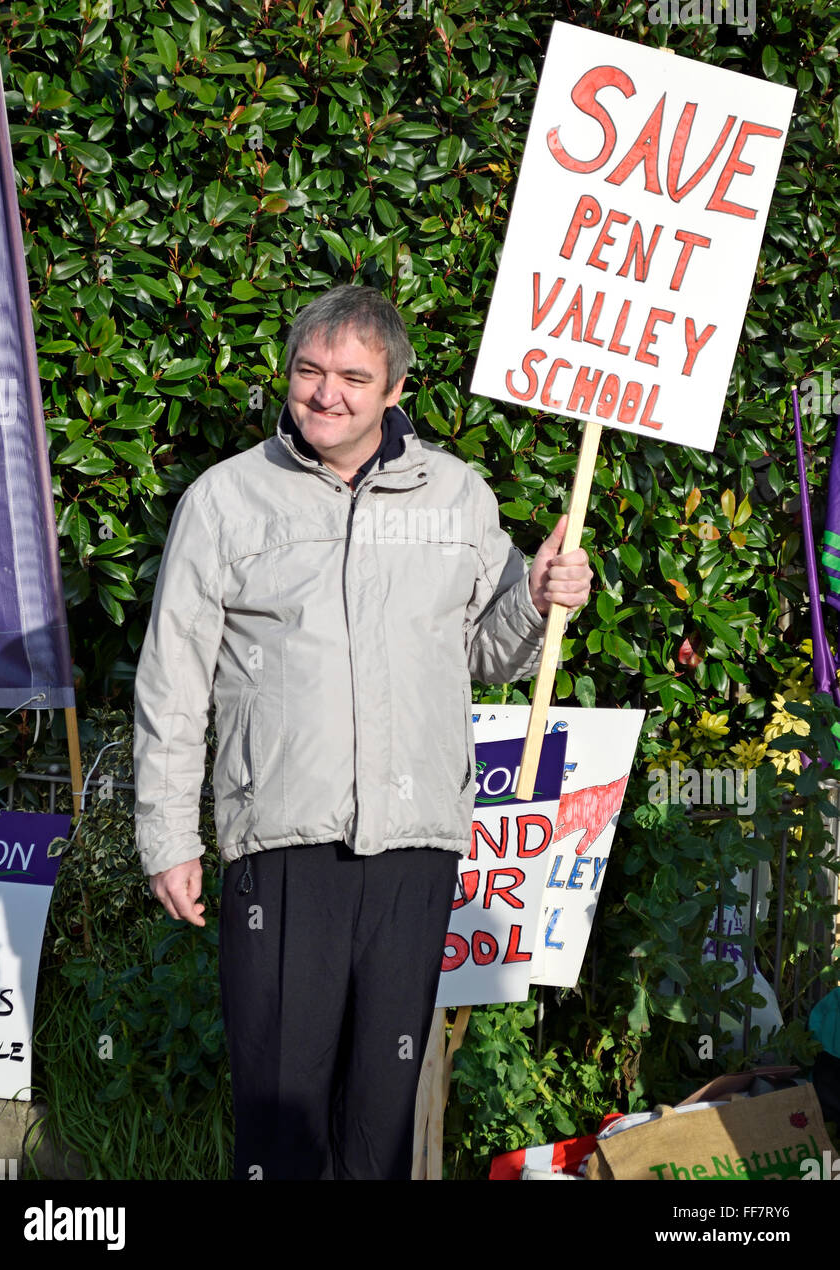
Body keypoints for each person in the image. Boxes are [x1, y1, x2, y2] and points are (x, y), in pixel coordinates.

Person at [133, 284, 593, 1180]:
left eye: (353, 376)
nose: (326, 394)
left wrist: (536, 600)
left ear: (394, 388)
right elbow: (173, 681)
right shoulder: (225, 501)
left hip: (415, 851)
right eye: (310, 371)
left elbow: (485, 651)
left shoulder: (458, 496)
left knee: (379, 1123)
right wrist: (166, 836)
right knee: (280, 1114)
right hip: (283, 848)